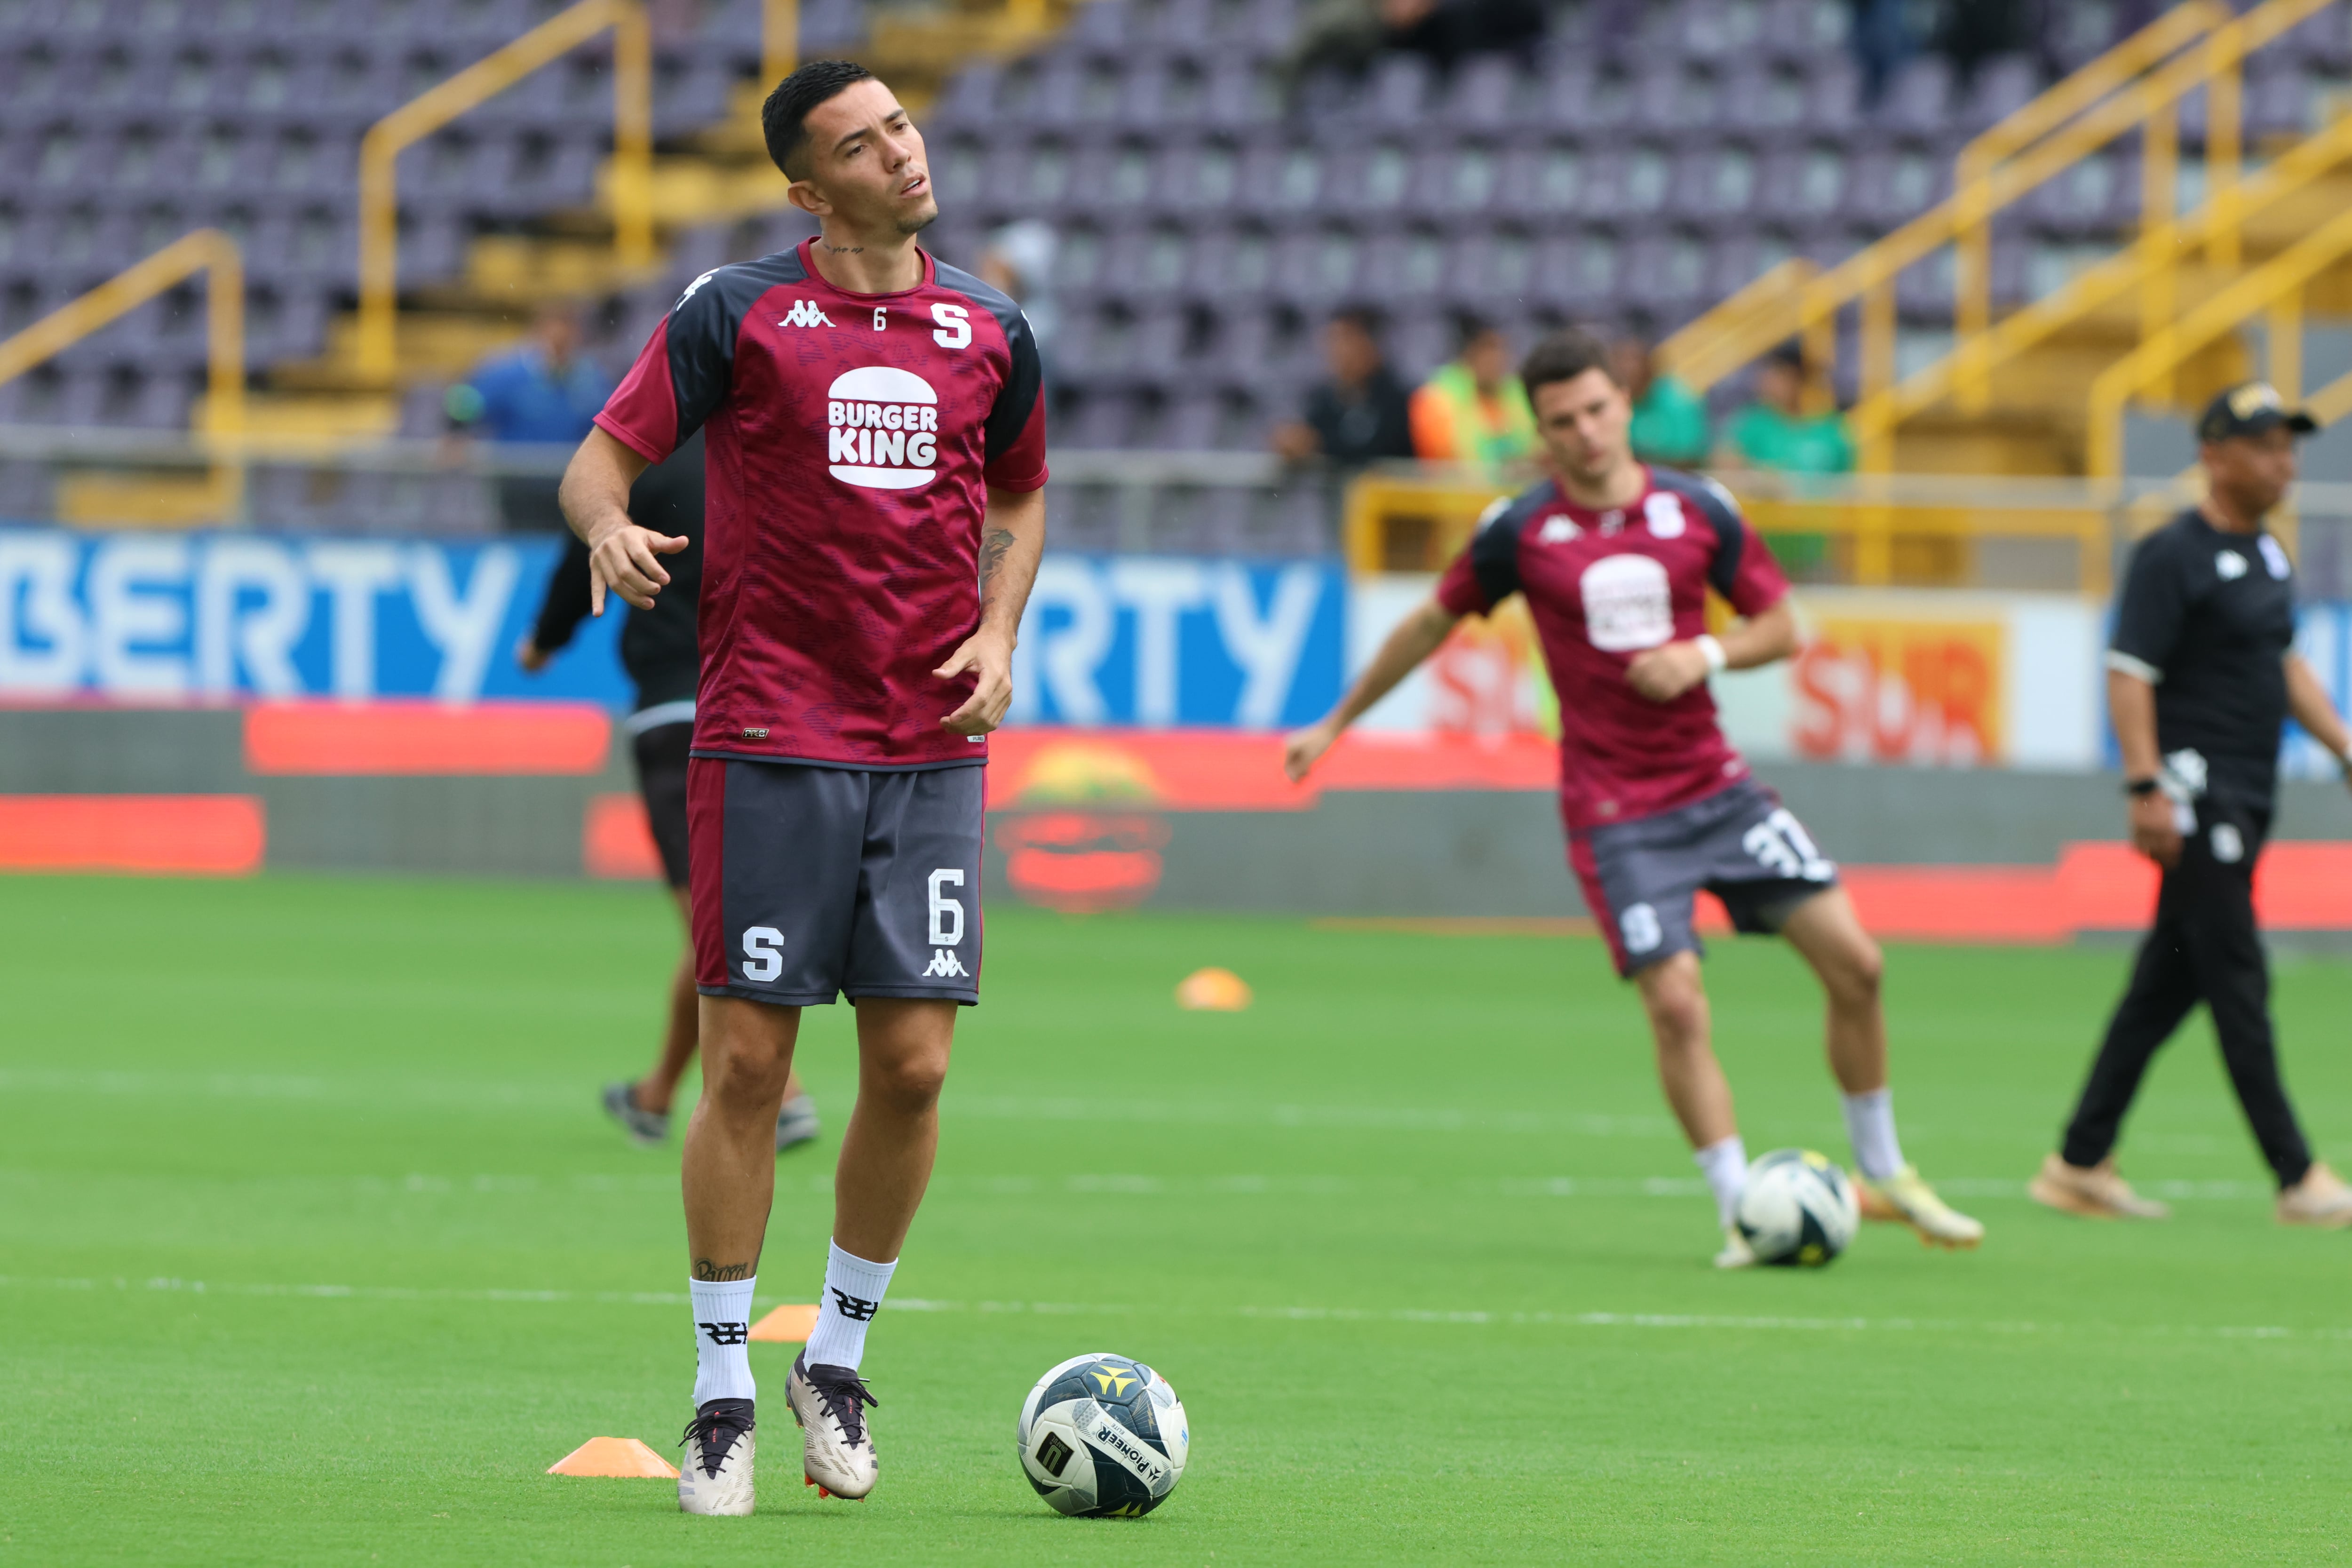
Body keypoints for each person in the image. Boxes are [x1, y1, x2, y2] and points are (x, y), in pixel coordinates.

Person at [557, 59, 1048, 1515]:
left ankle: (830, 1358)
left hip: (932, 742)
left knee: (911, 1066)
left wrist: (997, 629)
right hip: (769, 734)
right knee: (751, 1069)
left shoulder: (993, 326)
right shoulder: (735, 313)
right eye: (861, 142)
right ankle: (719, 1390)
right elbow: (601, 462)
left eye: (900, 125)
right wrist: (605, 530)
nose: (900, 153)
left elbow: (1018, 495)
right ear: (807, 188)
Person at [1284, 327, 1982, 1266]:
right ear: (1541, 430)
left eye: (1596, 410)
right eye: (1560, 420)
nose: (1583, 432)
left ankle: (1885, 1167)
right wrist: (1335, 722)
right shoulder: (1520, 530)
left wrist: (1702, 652)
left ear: (1626, 404)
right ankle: (1744, 1209)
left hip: (1718, 788)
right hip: (1617, 811)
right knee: (1678, 1004)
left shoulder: (1700, 510)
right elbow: (1429, 622)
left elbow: (1782, 624)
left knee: (1857, 963)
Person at [2031, 383, 2352, 1228]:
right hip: (2196, 788)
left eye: (2290, 445)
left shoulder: (2271, 555)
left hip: (2250, 791)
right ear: (2214, 454)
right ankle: (2298, 1174)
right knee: (2238, 974)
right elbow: (2129, 671)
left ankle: (2078, 1159)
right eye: (2265, 445)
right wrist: (2145, 786)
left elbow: (2285, 666)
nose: (2284, 461)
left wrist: (2343, 743)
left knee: (2168, 981)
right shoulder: (2172, 552)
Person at [517, 427, 819, 1158]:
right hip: (768, 715)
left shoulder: (639, 457)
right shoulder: (784, 451)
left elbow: (581, 549)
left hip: (676, 712)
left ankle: (783, 1091)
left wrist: (546, 641)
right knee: (725, 921)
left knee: (713, 925)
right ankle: (658, 1097)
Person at [447, 301, 614, 533]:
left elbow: (606, 421)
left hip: (571, 485)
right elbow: (463, 402)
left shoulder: (590, 378)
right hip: (518, 485)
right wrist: (456, 435)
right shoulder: (508, 374)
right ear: (540, 332)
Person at [1270, 306, 1415, 469]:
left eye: (1347, 340)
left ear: (1373, 344)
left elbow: (1380, 449)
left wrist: (1317, 445)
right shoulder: (1323, 399)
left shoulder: (1400, 400)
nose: (1338, 352)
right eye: (1332, 341)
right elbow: (1310, 434)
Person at [1409, 314, 1538, 476]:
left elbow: (1540, 450)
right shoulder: (1435, 398)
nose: (1498, 358)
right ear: (1468, 351)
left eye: (1503, 349)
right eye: (1489, 348)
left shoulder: (1518, 392)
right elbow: (1444, 464)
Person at [1721, 342, 1853, 475]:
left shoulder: (1831, 429)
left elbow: (1848, 483)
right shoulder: (1754, 423)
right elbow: (1726, 462)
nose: (1766, 381)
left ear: (1796, 378)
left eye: (1778, 374)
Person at [1610, 333, 1711, 470]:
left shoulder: (1678, 401)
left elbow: (1689, 458)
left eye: (1633, 362)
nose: (1627, 369)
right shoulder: (1612, 402)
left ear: (1649, 367)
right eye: (1621, 362)